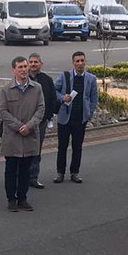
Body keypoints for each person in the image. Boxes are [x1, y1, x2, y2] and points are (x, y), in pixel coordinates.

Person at [0, 56, 45, 211]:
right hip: (12, 137)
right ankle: (11, 199)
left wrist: (30, 126)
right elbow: (3, 112)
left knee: (25, 170)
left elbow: (41, 109)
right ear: (14, 70)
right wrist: (19, 127)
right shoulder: (5, 90)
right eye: (20, 67)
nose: (24, 69)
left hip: (30, 136)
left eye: (25, 66)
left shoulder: (37, 88)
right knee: (11, 169)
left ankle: (23, 198)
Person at [52, 51, 100, 184]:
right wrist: (62, 98)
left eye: (82, 61)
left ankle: (75, 172)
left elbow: (94, 98)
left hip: (80, 118)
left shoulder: (91, 78)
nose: (80, 63)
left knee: (77, 147)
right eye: (77, 61)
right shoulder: (65, 76)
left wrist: (89, 113)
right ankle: (60, 172)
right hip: (65, 118)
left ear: (85, 61)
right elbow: (54, 90)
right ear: (73, 63)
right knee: (62, 146)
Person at [27, 53, 59, 189]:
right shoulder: (22, 78)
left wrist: (48, 116)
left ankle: (33, 177)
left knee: (36, 150)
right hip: (25, 121)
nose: (33, 64)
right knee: (22, 149)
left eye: (36, 62)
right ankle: (20, 176)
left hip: (41, 122)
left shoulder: (47, 80)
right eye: (31, 62)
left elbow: (52, 99)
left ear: (41, 64)